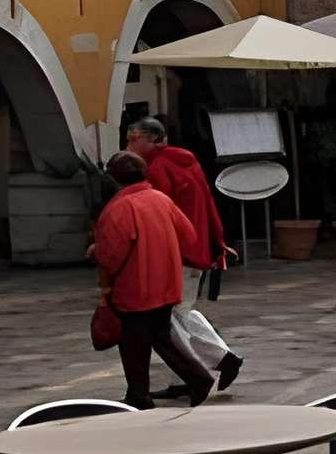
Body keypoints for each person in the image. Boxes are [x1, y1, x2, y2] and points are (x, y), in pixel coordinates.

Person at [125, 115, 240, 391]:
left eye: (133, 140)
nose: (128, 146)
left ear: (153, 139)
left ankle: (213, 364)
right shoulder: (186, 161)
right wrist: (216, 241)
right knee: (179, 312)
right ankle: (194, 373)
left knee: (168, 316)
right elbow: (208, 203)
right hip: (194, 245)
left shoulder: (157, 169)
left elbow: (158, 216)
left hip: (177, 251)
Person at [92, 153, 214, 409]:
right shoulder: (160, 199)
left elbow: (111, 256)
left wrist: (99, 260)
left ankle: (140, 395)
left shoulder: (119, 208)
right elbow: (188, 235)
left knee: (133, 345)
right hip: (166, 284)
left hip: (135, 288)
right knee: (161, 337)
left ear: (114, 178)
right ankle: (198, 379)